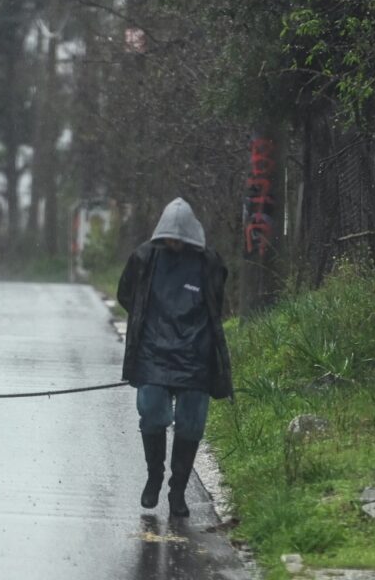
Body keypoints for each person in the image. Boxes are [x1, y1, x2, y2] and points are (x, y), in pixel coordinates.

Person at [117, 197, 233, 517]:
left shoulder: (209, 263)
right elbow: (126, 294)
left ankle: (178, 489)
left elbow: (216, 301)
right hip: (154, 351)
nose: (173, 243)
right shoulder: (144, 258)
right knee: (151, 411)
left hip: (195, 355)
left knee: (191, 422)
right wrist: (151, 323)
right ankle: (154, 477)